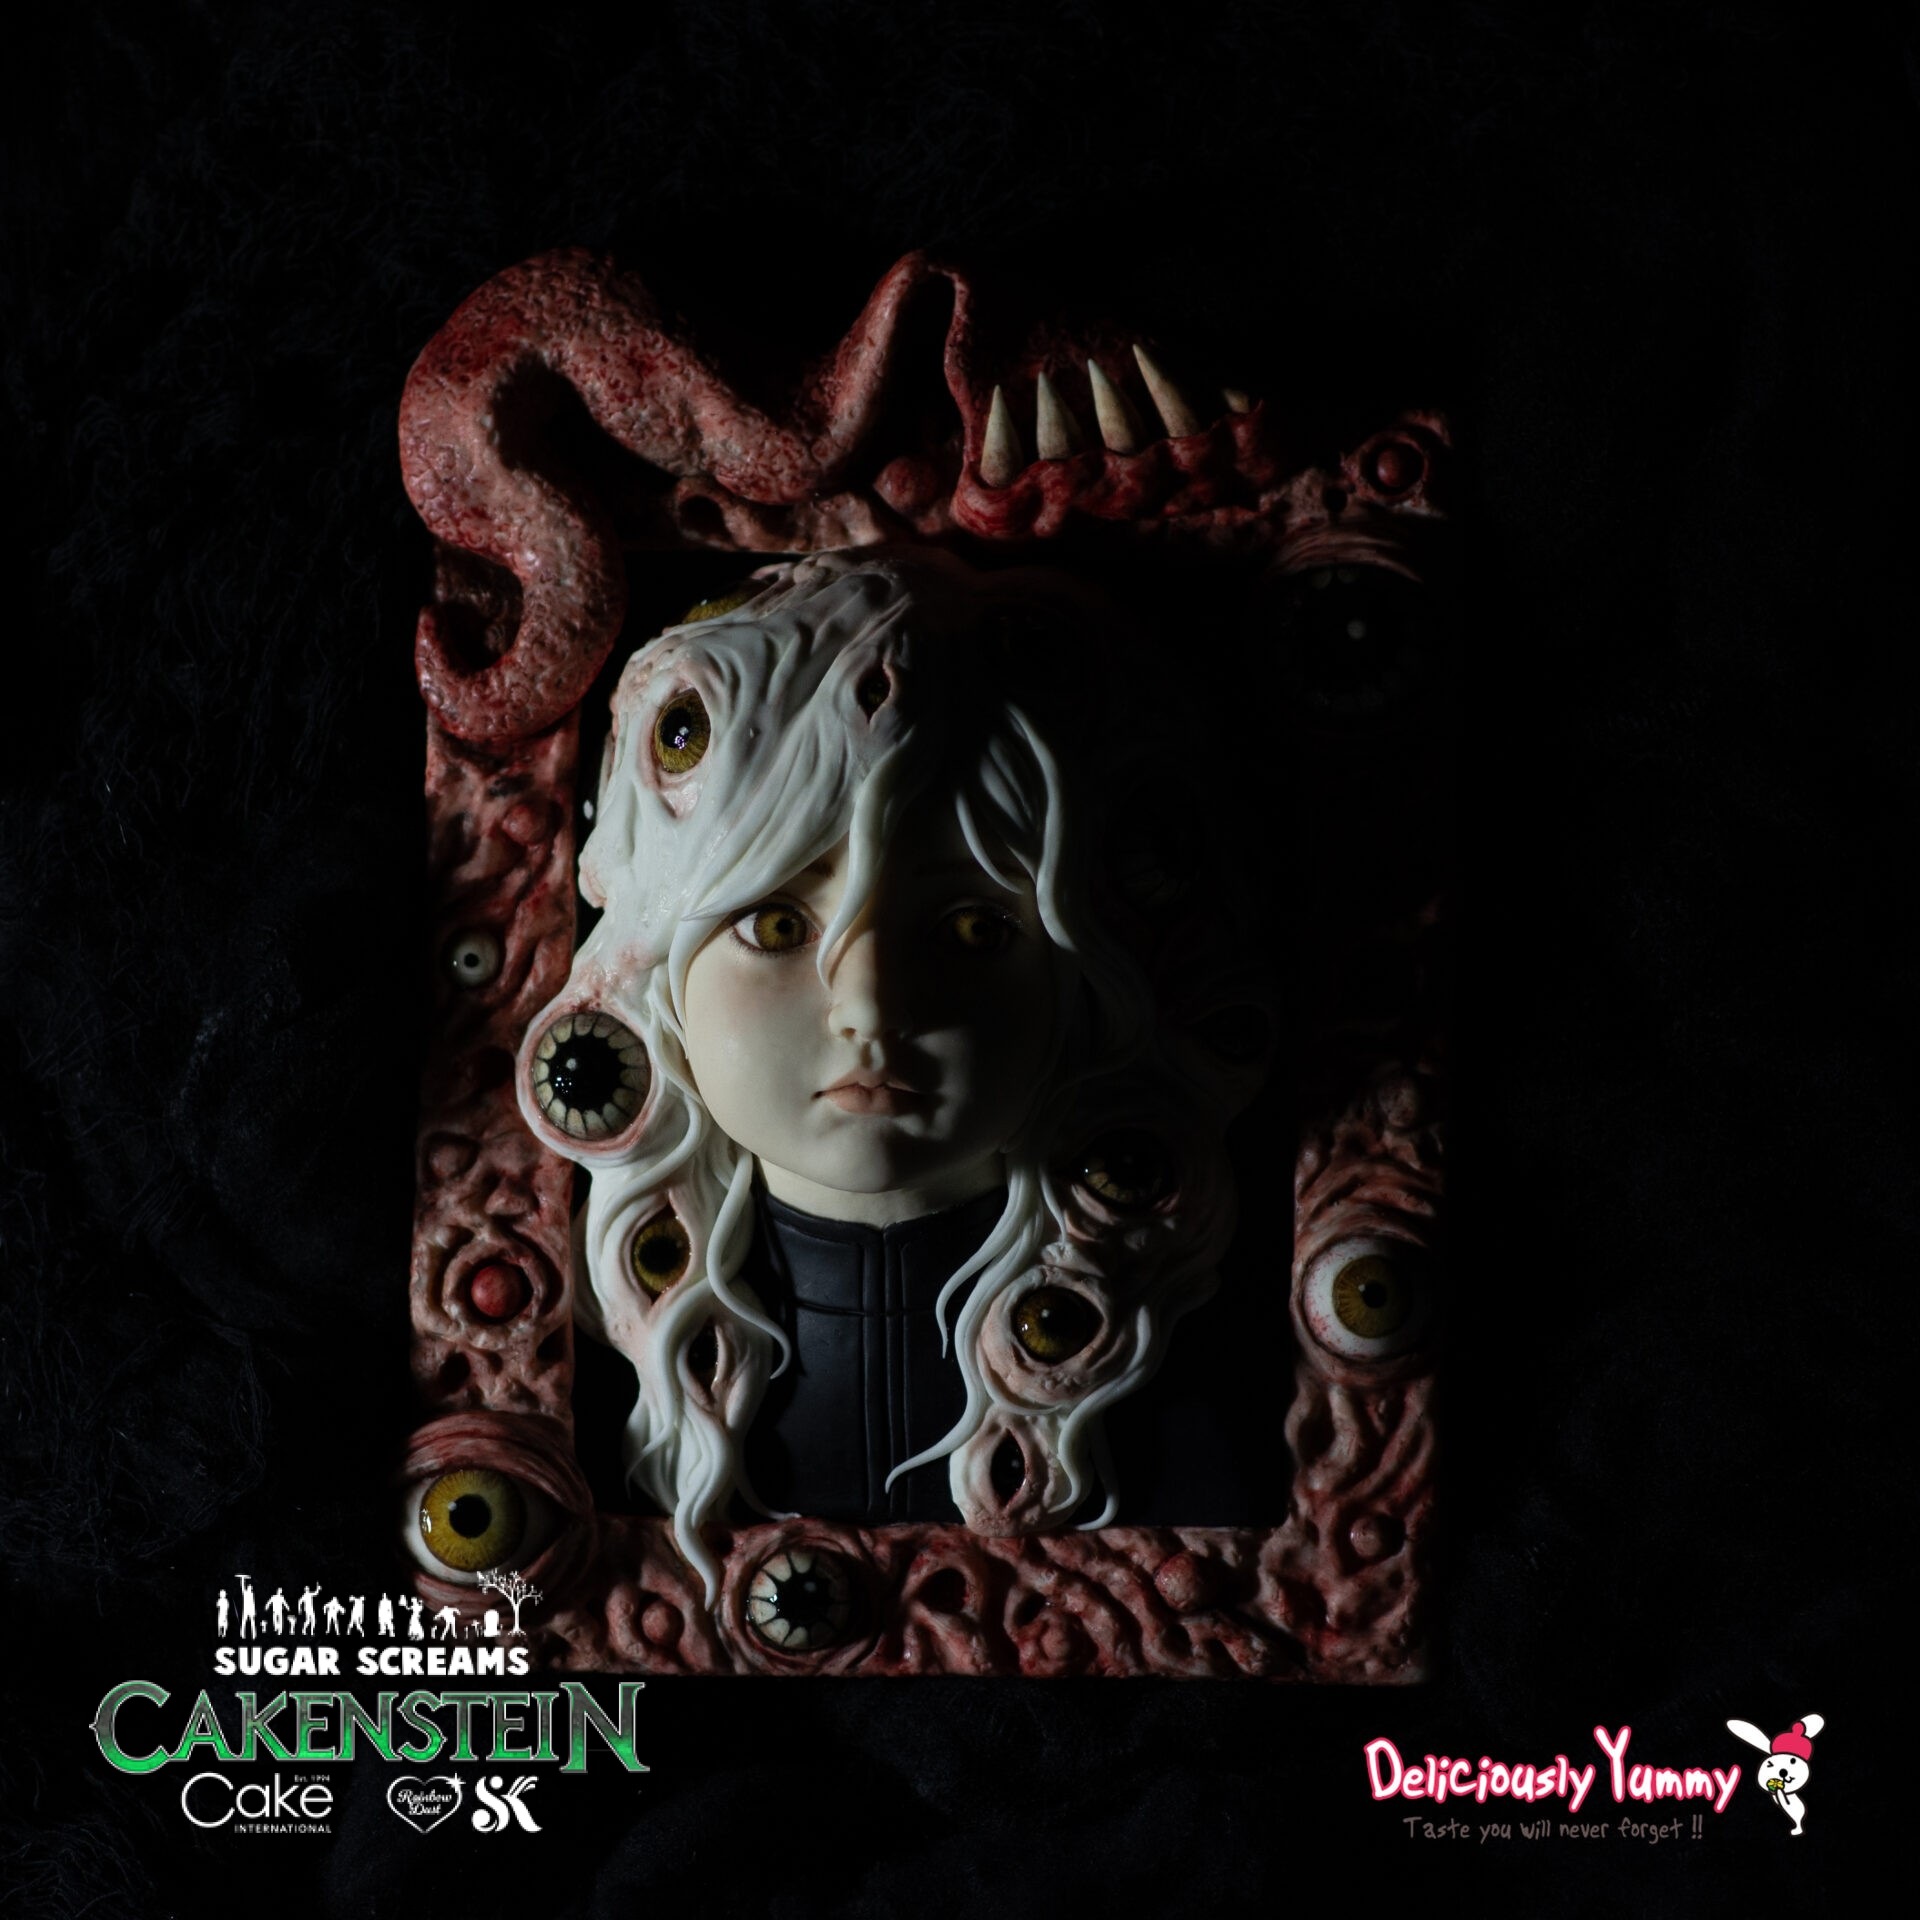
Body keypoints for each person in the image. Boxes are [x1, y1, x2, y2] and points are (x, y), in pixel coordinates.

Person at [519, 550, 1260, 1598]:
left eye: (971, 928)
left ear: (1085, 979)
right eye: (778, 926)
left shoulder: (1173, 1368)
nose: (870, 1008)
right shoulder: (581, 1383)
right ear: (655, 968)